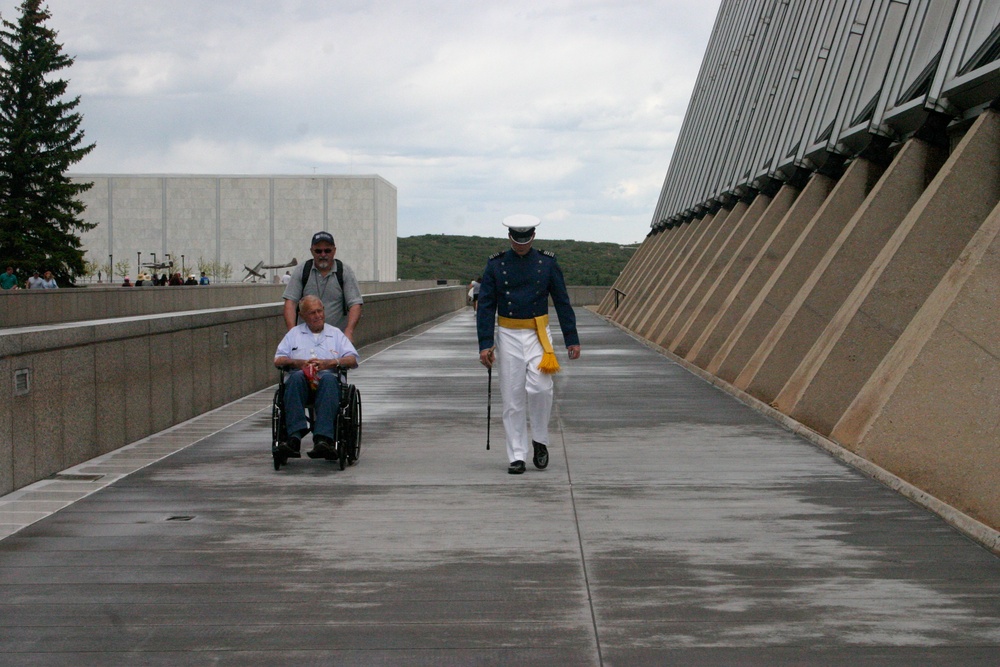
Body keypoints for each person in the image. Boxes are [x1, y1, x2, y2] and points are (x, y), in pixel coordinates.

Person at [477, 215, 581, 475]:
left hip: (538, 333)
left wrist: (572, 338)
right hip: (508, 334)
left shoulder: (547, 263)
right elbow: (486, 307)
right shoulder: (496, 264)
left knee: (540, 389)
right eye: (516, 238)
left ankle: (540, 440)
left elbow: (562, 301)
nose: (521, 244)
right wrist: (485, 343)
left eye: (525, 238)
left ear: (533, 236)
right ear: (509, 237)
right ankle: (517, 455)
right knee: (512, 398)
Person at [274, 295, 359, 459]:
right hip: (301, 383)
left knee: (328, 379)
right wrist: (298, 363)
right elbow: (278, 359)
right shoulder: (294, 334)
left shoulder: (335, 334)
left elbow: (352, 359)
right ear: (303, 316)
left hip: (328, 383)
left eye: (320, 311)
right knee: (296, 378)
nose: (317, 315)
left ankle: (323, 438)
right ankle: (294, 437)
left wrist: (329, 363)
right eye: (312, 313)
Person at [282, 231, 364, 342]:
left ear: (334, 251)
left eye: (327, 250)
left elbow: (355, 304)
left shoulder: (344, 271)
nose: (323, 254)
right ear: (312, 251)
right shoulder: (302, 270)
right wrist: (292, 333)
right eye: (318, 251)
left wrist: (349, 332)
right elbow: (290, 303)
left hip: (336, 339)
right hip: (305, 338)